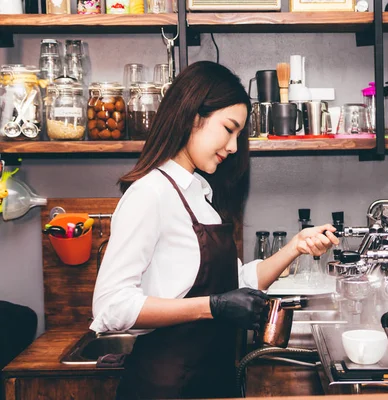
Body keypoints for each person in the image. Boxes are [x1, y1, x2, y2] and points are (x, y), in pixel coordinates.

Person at [90, 61, 338, 400]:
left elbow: (235, 286)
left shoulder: (199, 196)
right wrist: (213, 306)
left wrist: (294, 247)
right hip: (166, 388)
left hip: (212, 383)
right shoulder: (150, 193)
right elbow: (111, 307)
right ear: (193, 116)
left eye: (239, 135)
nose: (234, 146)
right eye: (228, 129)